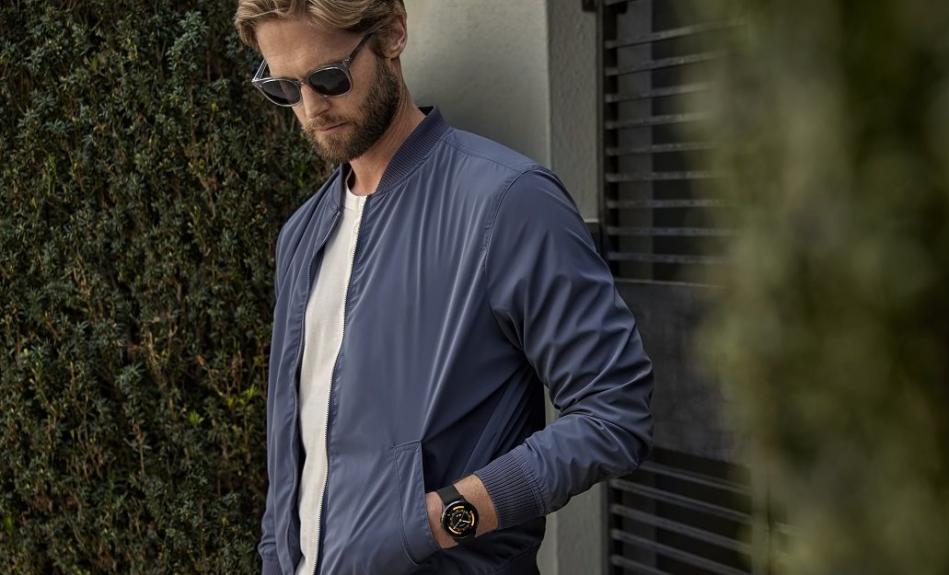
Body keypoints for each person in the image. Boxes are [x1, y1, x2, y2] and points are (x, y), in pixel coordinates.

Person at [234, 1, 654, 573]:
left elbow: (613, 410)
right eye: (284, 88)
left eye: (329, 77)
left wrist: (438, 521)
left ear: (392, 35)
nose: (310, 108)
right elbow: (293, 456)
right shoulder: (301, 235)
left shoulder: (509, 202)